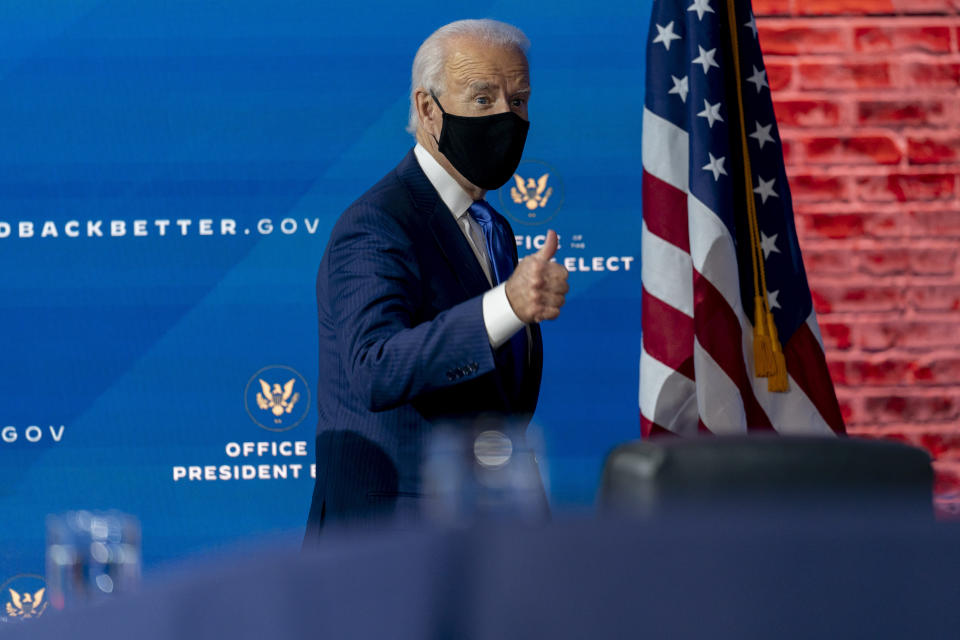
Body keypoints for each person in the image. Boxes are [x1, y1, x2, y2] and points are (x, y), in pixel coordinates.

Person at [305, 19, 568, 535]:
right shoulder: (377, 222)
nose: (505, 117)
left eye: (518, 101)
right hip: (386, 546)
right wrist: (507, 306)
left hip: (482, 535)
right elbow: (374, 368)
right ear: (428, 109)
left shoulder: (493, 228)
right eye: (483, 98)